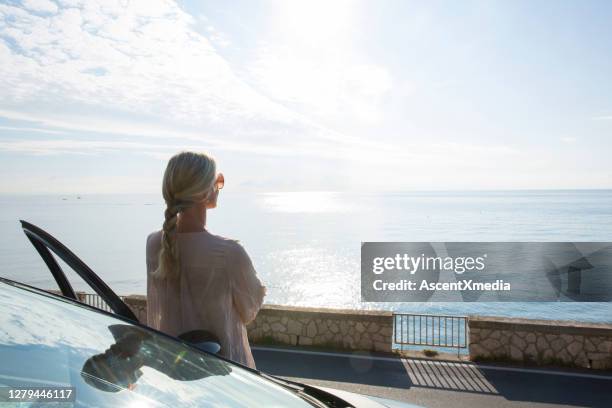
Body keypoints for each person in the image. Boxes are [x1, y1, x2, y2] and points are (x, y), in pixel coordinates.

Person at [146, 151, 266, 368]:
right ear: (204, 192)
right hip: (223, 370)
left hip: (172, 367)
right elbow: (249, 311)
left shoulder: (154, 244)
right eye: (217, 181)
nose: (219, 187)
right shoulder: (228, 253)